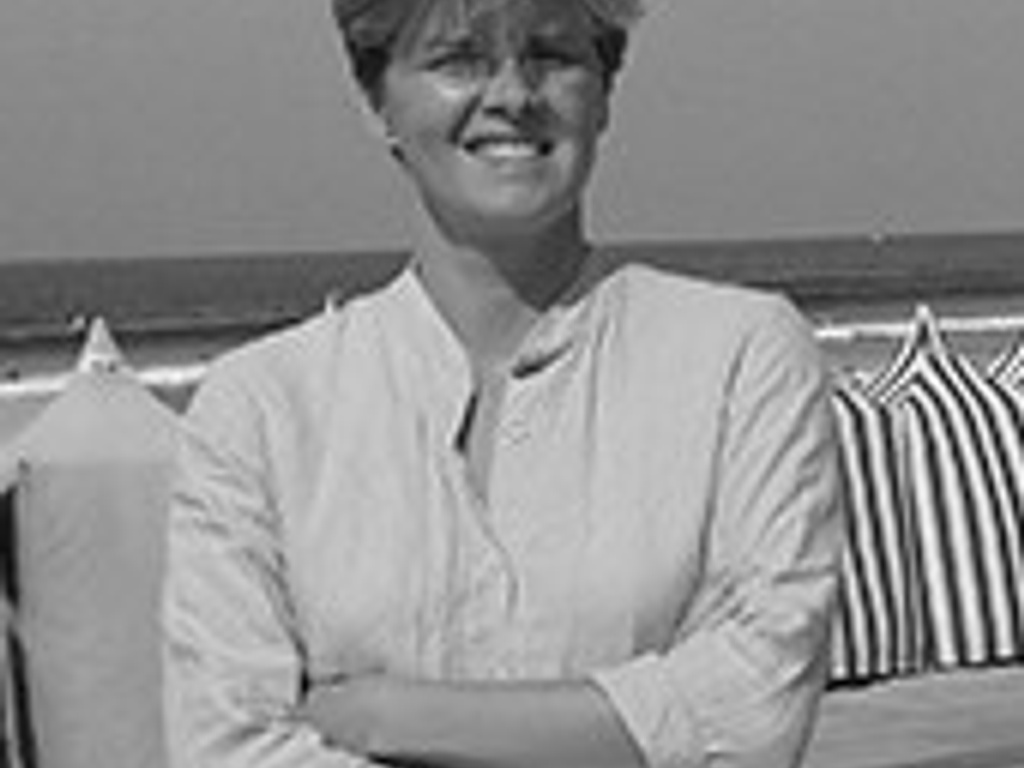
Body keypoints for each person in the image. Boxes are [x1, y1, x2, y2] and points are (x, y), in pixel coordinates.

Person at [162, 0, 845, 766]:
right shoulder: (258, 410)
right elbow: (227, 744)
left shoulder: (740, 359)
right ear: (375, 100)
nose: (513, 96)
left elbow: (753, 707)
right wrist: (630, 727)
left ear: (605, 91)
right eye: (459, 60)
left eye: (551, 56)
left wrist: (389, 714)